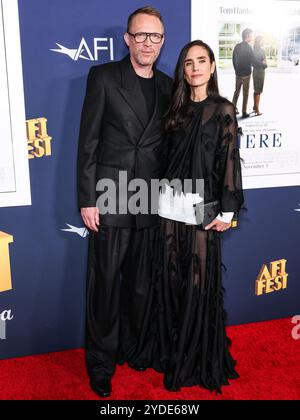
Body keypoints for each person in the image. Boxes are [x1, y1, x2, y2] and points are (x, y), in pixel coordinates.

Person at [77, 6, 172, 398]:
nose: (147, 43)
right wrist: (87, 198)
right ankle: (101, 361)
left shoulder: (169, 86)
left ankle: (133, 348)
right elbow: (88, 142)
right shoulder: (103, 77)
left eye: (155, 36)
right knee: (105, 285)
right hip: (111, 194)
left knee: (139, 285)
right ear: (127, 39)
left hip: (150, 197)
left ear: (162, 42)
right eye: (141, 35)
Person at [150, 40, 244, 393]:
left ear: (212, 67)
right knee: (172, 279)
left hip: (202, 210)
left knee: (197, 282)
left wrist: (228, 209)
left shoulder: (223, 109)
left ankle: (195, 358)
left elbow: (229, 159)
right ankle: (173, 351)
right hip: (168, 208)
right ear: (183, 70)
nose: (195, 68)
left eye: (201, 61)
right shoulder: (175, 109)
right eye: (188, 63)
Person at [232, 28, 254, 118]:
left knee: (236, 92)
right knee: (245, 93)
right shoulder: (249, 47)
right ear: (247, 36)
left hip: (238, 74)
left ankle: (232, 109)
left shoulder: (237, 46)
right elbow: (252, 60)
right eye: (251, 35)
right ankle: (244, 112)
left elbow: (233, 59)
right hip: (246, 75)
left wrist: (236, 70)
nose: (252, 37)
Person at [252, 36, 267, 116]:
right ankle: (257, 110)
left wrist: (263, 62)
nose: (263, 42)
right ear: (259, 41)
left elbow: (254, 62)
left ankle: (255, 106)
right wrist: (263, 63)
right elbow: (264, 62)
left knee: (256, 89)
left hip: (255, 71)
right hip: (260, 71)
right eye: (262, 40)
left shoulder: (253, 50)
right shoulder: (261, 51)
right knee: (258, 90)